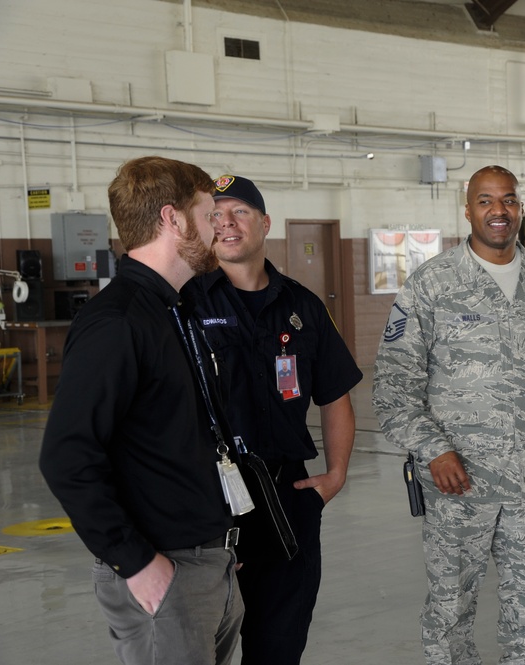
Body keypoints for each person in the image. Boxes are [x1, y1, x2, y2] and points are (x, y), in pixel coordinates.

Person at [372, 165, 525, 664]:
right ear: (468, 209)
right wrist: (433, 450)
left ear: (519, 207)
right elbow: (394, 385)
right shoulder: (431, 285)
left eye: (509, 200)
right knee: (450, 612)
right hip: (460, 486)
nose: (498, 211)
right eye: (485, 200)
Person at [39, 156, 243, 665]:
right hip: (164, 570)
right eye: (206, 214)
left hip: (204, 560)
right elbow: (66, 456)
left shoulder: (173, 309)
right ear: (172, 220)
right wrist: (135, 562)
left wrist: (215, 543)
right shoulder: (119, 322)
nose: (218, 226)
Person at [185, 175, 363, 665]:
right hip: (211, 501)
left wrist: (336, 476)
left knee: (279, 645)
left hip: (287, 494)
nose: (226, 223)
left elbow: (334, 395)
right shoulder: (185, 305)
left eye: (239, 211)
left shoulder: (302, 306)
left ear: (265, 223)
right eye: (215, 214)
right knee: (200, 646)